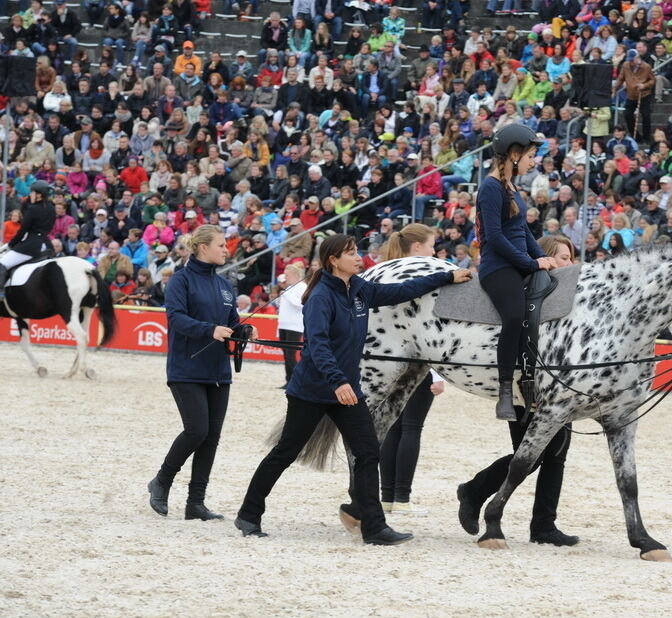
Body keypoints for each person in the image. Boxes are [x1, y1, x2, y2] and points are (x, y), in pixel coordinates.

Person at [234, 234, 471, 544]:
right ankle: (249, 514)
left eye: (357, 251)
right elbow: (317, 347)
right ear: (334, 260)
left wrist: (446, 276)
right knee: (285, 453)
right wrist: (339, 382)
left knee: (368, 452)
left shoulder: (358, 289)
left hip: (347, 390)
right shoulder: (320, 297)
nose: (358, 257)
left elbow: (400, 290)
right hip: (314, 390)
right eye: (351, 253)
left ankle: (373, 527)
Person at [457, 234, 579, 547]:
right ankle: (473, 491)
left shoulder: (566, 304)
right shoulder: (529, 297)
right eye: (564, 257)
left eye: (571, 257)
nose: (570, 264)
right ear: (548, 258)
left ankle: (544, 526)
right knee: (532, 457)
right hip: (527, 387)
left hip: (557, 392)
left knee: (556, 457)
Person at [147, 225, 258, 521]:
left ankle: (195, 503)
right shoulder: (180, 280)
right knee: (197, 430)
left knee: (211, 437)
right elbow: (176, 318)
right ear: (202, 247)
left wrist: (243, 330)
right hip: (186, 368)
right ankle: (162, 480)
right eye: (221, 245)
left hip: (218, 370)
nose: (226, 250)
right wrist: (209, 330)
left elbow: (233, 322)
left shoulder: (224, 285)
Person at [475, 123, 558, 421]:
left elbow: (522, 230)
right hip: (497, 267)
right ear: (513, 154)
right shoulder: (490, 188)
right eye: (531, 155)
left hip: (518, 261)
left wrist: (546, 258)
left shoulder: (511, 187)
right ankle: (506, 389)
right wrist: (532, 264)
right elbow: (495, 238)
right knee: (513, 315)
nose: (533, 161)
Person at [378, 223, 445, 515]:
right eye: (431, 246)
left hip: (390, 359)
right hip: (419, 363)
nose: (434, 252)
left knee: (391, 427)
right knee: (411, 429)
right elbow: (434, 327)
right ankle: (402, 498)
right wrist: (439, 373)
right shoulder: (423, 275)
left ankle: (387, 497)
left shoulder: (386, 272)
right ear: (416, 248)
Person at [0, 182, 55, 299]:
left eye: (32, 192)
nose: (31, 194)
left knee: (2, 264)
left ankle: (1, 292)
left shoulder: (33, 209)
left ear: (39, 195)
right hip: (46, 245)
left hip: (31, 245)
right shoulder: (51, 208)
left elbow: (22, 230)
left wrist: (11, 244)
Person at [276, 262, 306, 389]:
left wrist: (285, 294)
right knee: (286, 355)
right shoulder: (288, 288)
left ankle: (296, 382)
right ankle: (288, 380)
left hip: (294, 326)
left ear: (295, 275)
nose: (285, 277)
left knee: (290, 355)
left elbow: (300, 304)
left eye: (287, 275)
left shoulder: (302, 287)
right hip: (284, 324)